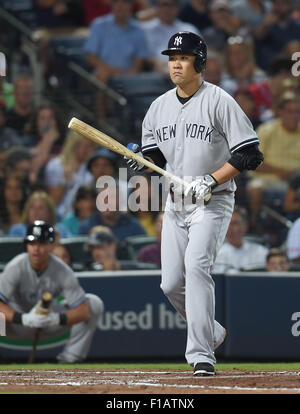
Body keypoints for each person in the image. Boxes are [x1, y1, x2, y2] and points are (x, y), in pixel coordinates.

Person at [124, 31, 264, 376]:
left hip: (213, 201)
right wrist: (143, 159)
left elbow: (250, 154)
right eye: (172, 58)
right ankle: (211, 331)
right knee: (170, 283)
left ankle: (202, 355)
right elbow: (155, 155)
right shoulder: (158, 107)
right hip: (175, 205)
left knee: (198, 267)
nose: (175, 63)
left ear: (199, 62)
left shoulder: (219, 100)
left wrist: (212, 178)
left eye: (183, 57)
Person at [0, 220, 104, 363]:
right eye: (32, 243)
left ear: (52, 245)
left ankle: (70, 359)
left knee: (94, 303)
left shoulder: (62, 270)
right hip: (17, 323)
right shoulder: (16, 266)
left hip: (49, 322)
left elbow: (84, 310)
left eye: (41, 243)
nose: (36, 249)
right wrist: (23, 318)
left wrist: (56, 318)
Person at [247, 91, 300, 224]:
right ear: (280, 112)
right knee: (255, 187)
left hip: (296, 182)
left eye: (297, 112)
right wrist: (280, 172)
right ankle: (257, 224)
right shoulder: (267, 130)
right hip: (268, 180)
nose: (295, 116)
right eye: (290, 111)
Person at [140, 0, 200, 75]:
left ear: (178, 8)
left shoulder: (189, 30)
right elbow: (139, 55)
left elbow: (200, 54)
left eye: (171, 5)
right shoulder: (145, 29)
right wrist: (153, 61)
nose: (167, 9)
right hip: (155, 76)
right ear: (157, 8)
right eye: (164, 5)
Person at [44, 131, 96, 219]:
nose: (88, 150)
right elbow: (53, 201)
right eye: (85, 146)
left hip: (82, 217)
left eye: (91, 147)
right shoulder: (55, 165)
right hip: (59, 216)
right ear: (74, 146)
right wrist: (65, 181)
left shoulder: (91, 169)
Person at [213, 206, 269, 273]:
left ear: (245, 226)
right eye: (227, 223)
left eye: (234, 223)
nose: (229, 228)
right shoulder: (215, 255)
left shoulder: (261, 252)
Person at [78, 185, 146, 239]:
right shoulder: (86, 227)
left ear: (120, 201)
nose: (106, 202)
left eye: (111, 198)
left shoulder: (134, 226)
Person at [254, 0, 300, 71]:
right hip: (273, 63)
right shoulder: (266, 24)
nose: (279, 7)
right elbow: (258, 36)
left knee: (294, 48)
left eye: (283, 4)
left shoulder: (297, 25)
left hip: (293, 64)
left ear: (290, 6)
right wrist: (265, 25)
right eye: (276, 4)